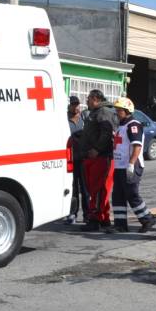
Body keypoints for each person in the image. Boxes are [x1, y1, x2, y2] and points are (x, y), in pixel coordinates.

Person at [110, 97, 156, 233]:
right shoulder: (122, 125)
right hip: (119, 166)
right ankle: (120, 225)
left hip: (131, 165)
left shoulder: (133, 125)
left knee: (132, 194)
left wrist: (131, 164)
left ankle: (147, 220)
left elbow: (137, 146)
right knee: (118, 195)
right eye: (117, 110)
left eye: (119, 110)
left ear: (127, 111)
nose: (117, 113)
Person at [80, 89, 118, 231]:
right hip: (95, 157)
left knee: (97, 189)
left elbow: (106, 133)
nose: (87, 101)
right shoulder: (97, 112)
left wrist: (96, 149)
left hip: (101, 157)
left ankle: (95, 220)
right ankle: (103, 218)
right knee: (98, 189)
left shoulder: (103, 112)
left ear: (96, 98)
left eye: (88, 98)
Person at [64, 95, 88, 225]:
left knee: (85, 189)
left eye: (77, 104)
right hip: (70, 159)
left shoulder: (83, 118)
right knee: (73, 189)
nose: (76, 107)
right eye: (73, 104)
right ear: (69, 106)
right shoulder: (64, 120)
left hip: (83, 159)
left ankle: (87, 215)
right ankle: (72, 214)